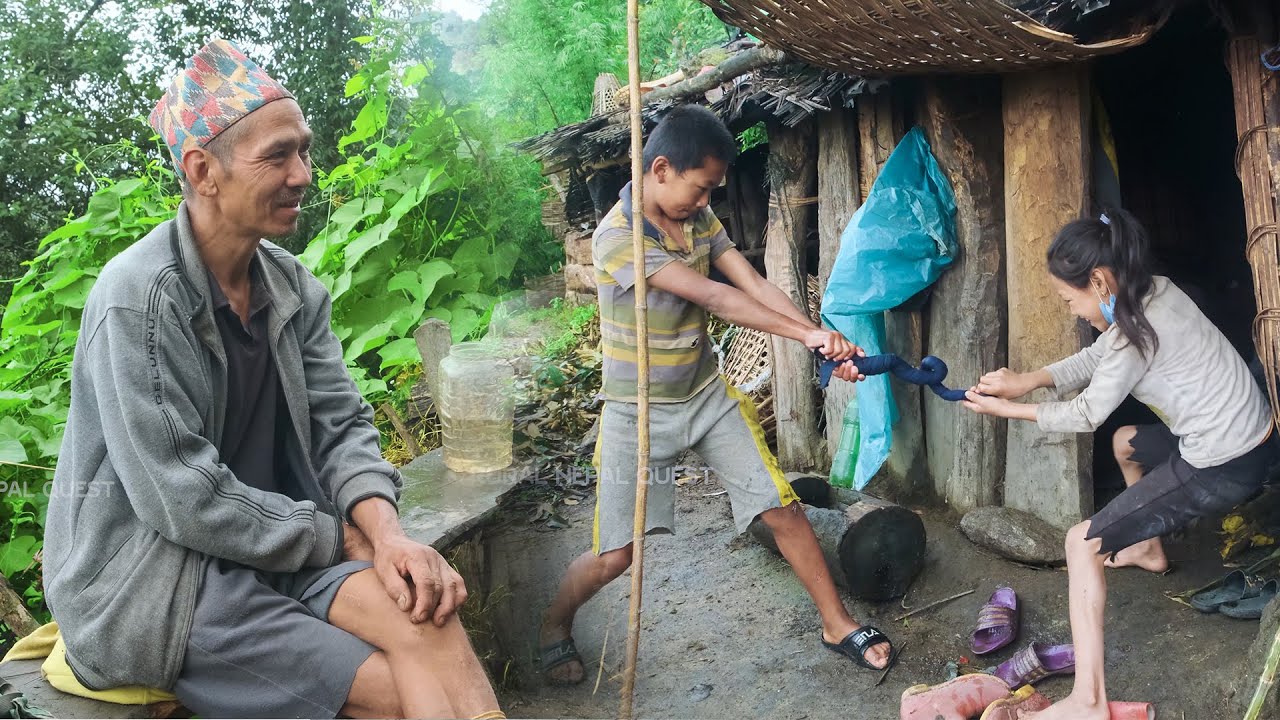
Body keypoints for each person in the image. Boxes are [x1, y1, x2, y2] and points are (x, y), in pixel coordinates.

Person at [42, 40, 502, 720]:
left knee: (427, 616)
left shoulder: (291, 287)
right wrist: (341, 540)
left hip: (280, 545)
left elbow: (340, 426)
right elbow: (181, 497)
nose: (303, 174)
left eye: (304, 151)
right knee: (401, 694)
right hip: (159, 579)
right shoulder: (139, 299)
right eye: (278, 155)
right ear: (203, 170)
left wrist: (389, 536)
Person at [538, 105, 893, 684]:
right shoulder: (616, 238)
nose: (707, 201)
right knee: (615, 557)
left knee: (782, 509)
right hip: (637, 412)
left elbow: (752, 283)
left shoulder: (698, 219)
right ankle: (554, 623)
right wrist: (806, 336)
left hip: (706, 396)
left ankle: (836, 624)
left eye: (711, 191)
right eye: (700, 188)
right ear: (660, 169)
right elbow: (717, 298)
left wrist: (820, 338)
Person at [963, 207, 1276, 719]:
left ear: (1098, 281)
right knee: (1126, 442)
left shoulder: (1135, 333)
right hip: (1251, 435)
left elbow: (1087, 413)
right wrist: (1029, 380)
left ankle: (1088, 699)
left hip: (1224, 462)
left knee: (1080, 544)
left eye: (1069, 300)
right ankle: (1148, 550)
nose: (1071, 311)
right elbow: (1097, 357)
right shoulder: (1154, 292)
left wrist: (1009, 410)